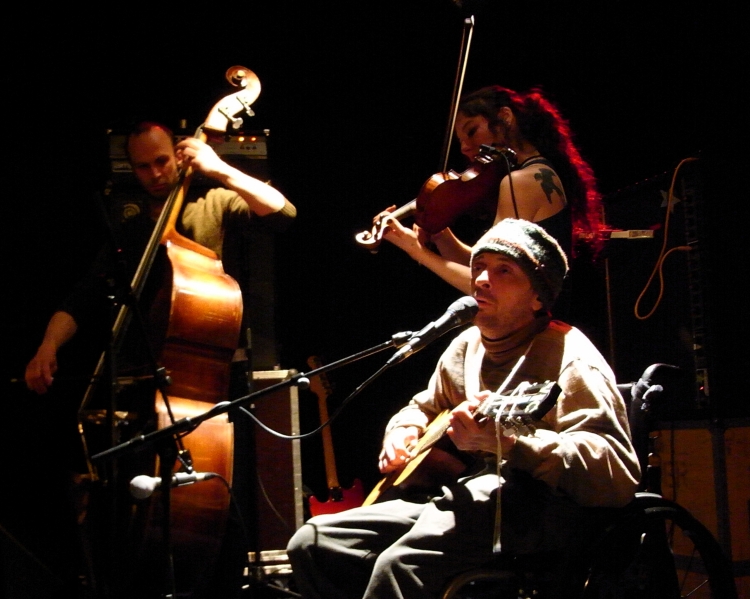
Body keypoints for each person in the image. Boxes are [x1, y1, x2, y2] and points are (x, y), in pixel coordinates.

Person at [287, 219, 639, 599]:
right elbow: (423, 407)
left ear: (538, 297)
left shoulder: (570, 359)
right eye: (479, 266)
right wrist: (402, 429)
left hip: (539, 509)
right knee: (313, 542)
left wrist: (512, 443)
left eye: (504, 270)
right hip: (461, 495)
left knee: (401, 566)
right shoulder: (465, 346)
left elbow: (614, 472)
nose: (482, 279)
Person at [24, 121, 296, 394]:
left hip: (214, 373)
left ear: (178, 156)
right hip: (147, 375)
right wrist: (47, 346)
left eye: (161, 161)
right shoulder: (131, 232)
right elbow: (84, 297)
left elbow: (282, 214)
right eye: (143, 166)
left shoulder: (216, 202)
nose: (155, 173)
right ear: (132, 169)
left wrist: (220, 169)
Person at [382, 86, 601, 298]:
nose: (464, 148)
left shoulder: (521, 182)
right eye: (461, 141)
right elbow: (483, 267)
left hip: (532, 328)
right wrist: (441, 236)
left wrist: (417, 251)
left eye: (471, 131)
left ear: (505, 117)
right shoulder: (540, 170)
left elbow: (490, 285)